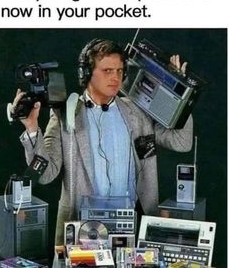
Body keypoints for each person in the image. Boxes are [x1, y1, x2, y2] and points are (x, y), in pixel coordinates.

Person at [11, 38, 193, 248]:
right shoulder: (65, 115)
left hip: (134, 226)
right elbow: (45, 174)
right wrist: (32, 128)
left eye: (119, 71)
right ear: (86, 73)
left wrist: (177, 93)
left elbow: (182, 142)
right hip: (83, 230)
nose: (116, 78)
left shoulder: (138, 112)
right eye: (107, 71)